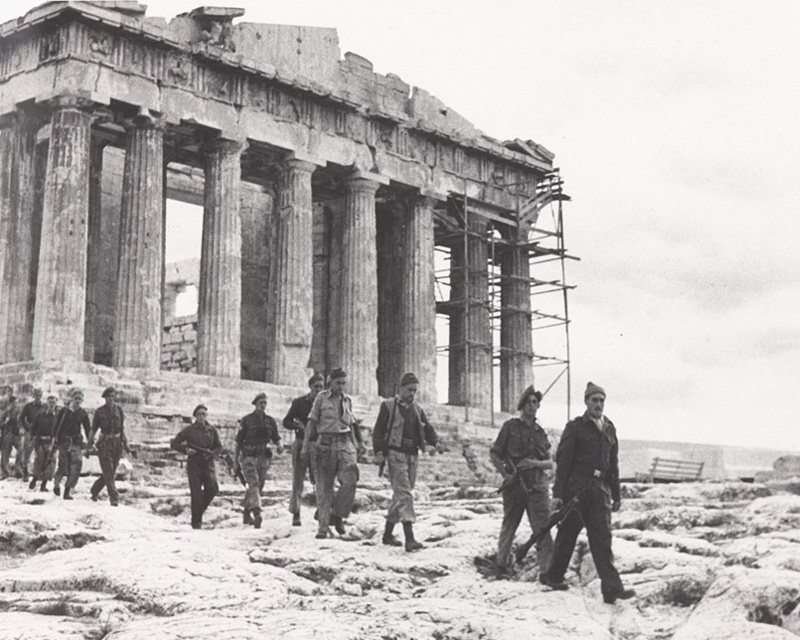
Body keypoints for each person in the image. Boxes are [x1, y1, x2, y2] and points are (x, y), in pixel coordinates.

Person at [539, 382, 636, 604]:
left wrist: (616, 494)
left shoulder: (610, 428)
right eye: (594, 400)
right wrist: (558, 494)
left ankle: (611, 589)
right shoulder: (575, 427)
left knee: (602, 539)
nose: (598, 404)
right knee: (567, 536)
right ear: (586, 402)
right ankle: (553, 576)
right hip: (577, 491)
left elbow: (613, 465)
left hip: (600, 492)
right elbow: (563, 463)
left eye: (601, 400)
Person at [372, 372, 443, 552]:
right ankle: (409, 538)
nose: (412, 394)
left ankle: (388, 534)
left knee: (401, 495)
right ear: (401, 388)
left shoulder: (417, 410)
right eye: (409, 390)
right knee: (405, 495)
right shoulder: (388, 406)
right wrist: (379, 452)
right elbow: (379, 431)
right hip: (396, 455)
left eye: (415, 391)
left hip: (412, 456)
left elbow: (428, 429)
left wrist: (437, 442)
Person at [489, 386, 555, 579]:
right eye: (529, 402)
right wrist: (506, 475)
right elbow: (495, 453)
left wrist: (535, 463)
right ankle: (501, 566)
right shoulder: (510, 427)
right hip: (515, 486)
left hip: (537, 487)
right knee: (509, 526)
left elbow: (550, 462)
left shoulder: (541, 433)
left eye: (536, 403)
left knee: (542, 530)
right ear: (522, 405)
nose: (532, 406)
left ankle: (548, 571)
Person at [302, 368, 360, 539]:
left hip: (345, 445)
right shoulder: (321, 398)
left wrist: (356, 445)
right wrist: (305, 447)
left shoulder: (348, 401)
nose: (341, 387)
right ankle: (323, 526)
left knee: (350, 480)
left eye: (343, 383)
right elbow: (311, 424)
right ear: (330, 382)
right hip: (325, 445)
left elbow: (351, 426)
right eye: (338, 383)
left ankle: (338, 515)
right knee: (324, 487)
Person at [234, 393, 282, 529]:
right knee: (253, 484)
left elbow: (276, 437)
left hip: (263, 458)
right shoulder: (246, 420)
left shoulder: (270, 421)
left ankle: (246, 512)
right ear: (255, 404)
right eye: (260, 402)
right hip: (248, 456)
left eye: (265, 403)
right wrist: (235, 461)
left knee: (258, 487)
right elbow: (238, 442)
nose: (263, 405)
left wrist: (279, 445)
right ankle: (257, 513)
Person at [282, 373, 325, 526]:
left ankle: (321, 510)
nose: (318, 390)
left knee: (320, 479)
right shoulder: (299, 403)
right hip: (301, 443)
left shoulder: (325, 404)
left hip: (318, 443)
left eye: (321, 387)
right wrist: (298, 426)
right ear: (310, 387)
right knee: (298, 479)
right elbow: (286, 421)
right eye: (316, 387)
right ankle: (296, 513)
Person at [170, 404, 222, 529]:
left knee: (213, 488)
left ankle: (197, 514)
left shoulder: (212, 430)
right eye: (199, 414)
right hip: (194, 464)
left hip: (208, 463)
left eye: (204, 414)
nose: (201, 417)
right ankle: (196, 523)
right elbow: (175, 443)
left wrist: (212, 454)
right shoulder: (189, 430)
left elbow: (219, 446)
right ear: (195, 416)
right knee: (196, 494)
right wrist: (186, 450)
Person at [87, 387, 130, 506]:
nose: (111, 399)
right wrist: (89, 444)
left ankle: (95, 490)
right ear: (105, 398)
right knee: (109, 471)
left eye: (113, 396)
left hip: (117, 444)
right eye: (109, 396)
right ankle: (114, 497)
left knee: (110, 472)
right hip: (105, 444)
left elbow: (121, 429)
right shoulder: (99, 412)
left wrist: (126, 444)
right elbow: (93, 429)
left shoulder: (119, 410)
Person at [52, 389, 91, 500]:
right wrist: (54, 439)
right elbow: (56, 426)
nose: (77, 401)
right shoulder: (64, 412)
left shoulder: (83, 413)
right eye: (76, 398)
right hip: (64, 441)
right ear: (72, 399)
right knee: (63, 465)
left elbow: (88, 429)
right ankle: (56, 483)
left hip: (76, 442)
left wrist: (90, 443)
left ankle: (68, 490)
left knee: (76, 466)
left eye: (80, 399)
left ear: (82, 400)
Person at [29, 395, 59, 491]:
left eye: (53, 403)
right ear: (47, 403)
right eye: (50, 402)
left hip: (52, 443)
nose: (51, 405)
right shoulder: (40, 415)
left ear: (56, 404)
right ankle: (34, 480)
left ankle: (43, 485)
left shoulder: (57, 418)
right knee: (40, 461)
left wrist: (56, 441)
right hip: (41, 442)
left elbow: (59, 430)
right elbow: (33, 427)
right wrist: (33, 437)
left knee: (50, 463)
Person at [19, 389, 45, 481]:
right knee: (27, 452)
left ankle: (38, 474)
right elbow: (22, 418)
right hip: (30, 432)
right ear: (33, 396)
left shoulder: (44, 406)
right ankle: (26, 472)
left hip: (40, 432)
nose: (38, 397)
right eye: (37, 395)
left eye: (40, 395)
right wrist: (25, 427)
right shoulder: (28, 406)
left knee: (40, 453)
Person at [0, 395, 20, 479]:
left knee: (22, 450)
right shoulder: (6, 412)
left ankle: (19, 470)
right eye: (14, 403)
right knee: (5, 453)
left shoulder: (20, 412)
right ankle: (5, 472)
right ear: (10, 403)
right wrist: (5, 423)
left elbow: (23, 421)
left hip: (17, 434)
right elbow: (0, 423)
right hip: (8, 433)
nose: (15, 404)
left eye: (16, 403)